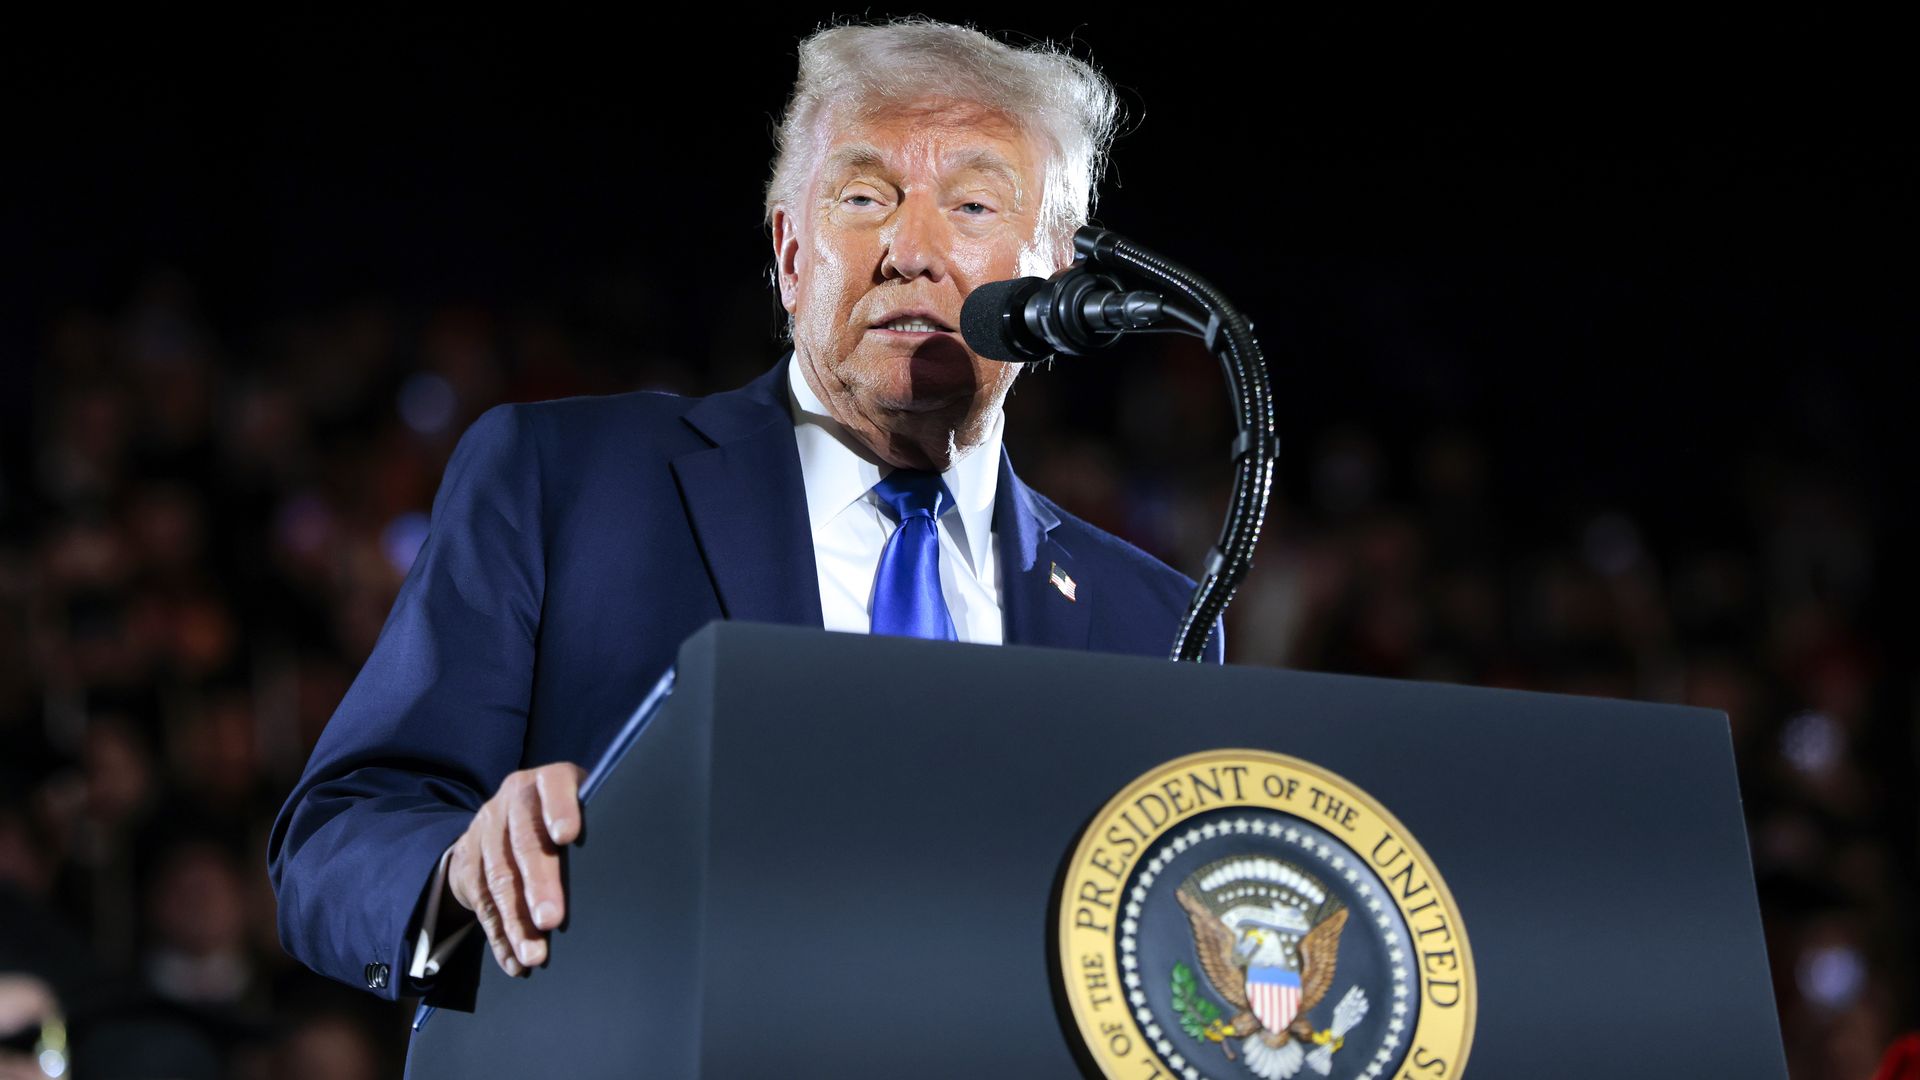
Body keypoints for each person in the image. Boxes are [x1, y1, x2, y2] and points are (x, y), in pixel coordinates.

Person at [267, 18, 1222, 1008]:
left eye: (974, 203)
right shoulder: (565, 482)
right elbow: (342, 834)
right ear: (790, 251)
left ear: (1055, 276)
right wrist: (465, 872)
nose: (911, 250)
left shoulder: (1147, 621)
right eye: (864, 197)